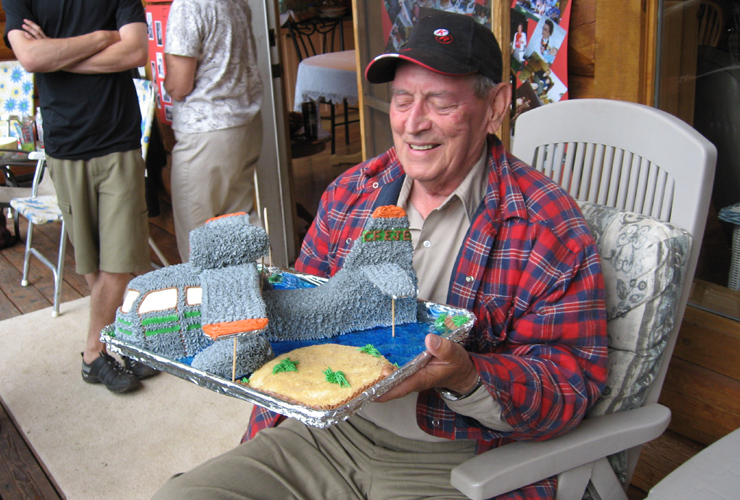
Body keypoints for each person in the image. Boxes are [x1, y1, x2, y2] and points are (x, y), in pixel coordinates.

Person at [152, 9, 607, 500]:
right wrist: (262, 432)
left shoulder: (547, 226)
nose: (414, 123)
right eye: (402, 99)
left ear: (495, 105)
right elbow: (291, 327)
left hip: (455, 455)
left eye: (440, 102)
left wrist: (467, 375)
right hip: (325, 433)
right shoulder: (352, 194)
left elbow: (569, 386)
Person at [3, 0, 158, 394]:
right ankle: (119, 342)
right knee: (92, 259)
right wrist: (102, 38)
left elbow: (136, 51)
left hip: (118, 139)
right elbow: (30, 56)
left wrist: (57, 52)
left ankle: (93, 352)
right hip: (64, 143)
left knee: (120, 260)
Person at [164, 0, 263, 262]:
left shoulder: (187, 5)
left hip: (206, 131)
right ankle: (257, 299)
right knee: (241, 234)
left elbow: (179, 84)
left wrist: (165, 83)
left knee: (198, 245)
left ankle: (207, 302)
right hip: (245, 124)